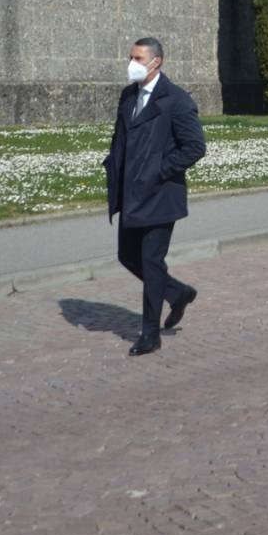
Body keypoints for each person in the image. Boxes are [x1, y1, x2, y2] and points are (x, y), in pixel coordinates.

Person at [102, 37, 206, 356]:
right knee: (127, 256)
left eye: (137, 58)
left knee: (151, 260)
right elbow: (121, 138)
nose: (131, 63)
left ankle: (150, 333)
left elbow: (194, 147)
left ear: (156, 62)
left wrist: (159, 170)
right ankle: (177, 293)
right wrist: (113, 166)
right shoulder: (127, 96)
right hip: (130, 192)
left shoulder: (175, 100)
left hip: (161, 195)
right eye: (130, 57)